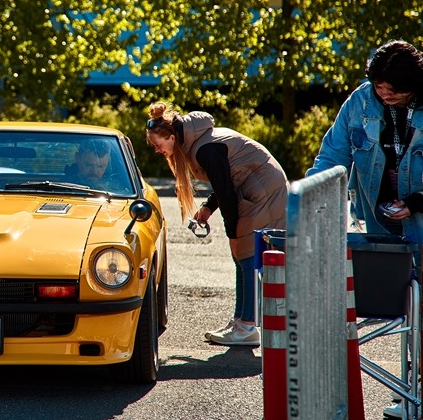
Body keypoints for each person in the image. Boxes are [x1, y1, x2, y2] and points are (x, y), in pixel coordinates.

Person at [305, 40, 423, 419]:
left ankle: (416, 390)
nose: (384, 94)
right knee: (405, 309)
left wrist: (416, 201)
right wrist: (309, 201)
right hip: (380, 222)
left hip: (420, 215)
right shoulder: (360, 101)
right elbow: (332, 156)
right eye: (378, 87)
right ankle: (410, 391)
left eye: (393, 90)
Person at [146, 101, 289, 346]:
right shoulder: (198, 142)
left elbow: (226, 191)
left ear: (171, 137)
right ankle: (241, 321)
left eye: (158, 145)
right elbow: (225, 183)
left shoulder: (204, 149)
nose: (157, 151)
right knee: (241, 256)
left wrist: (232, 231)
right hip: (255, 190)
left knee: (245, 254)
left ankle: (246, 326)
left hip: (264, 193)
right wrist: (208, 208)